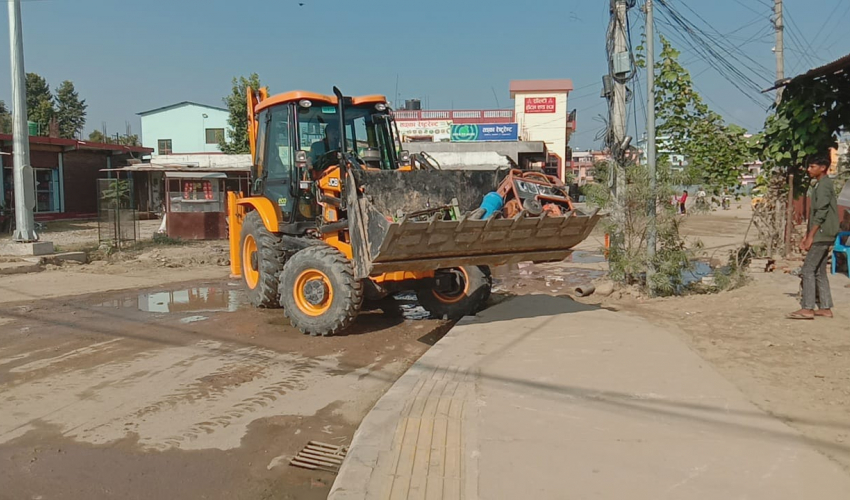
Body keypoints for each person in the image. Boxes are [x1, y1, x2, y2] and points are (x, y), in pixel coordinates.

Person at [788, 154, 839, 320]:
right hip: (824, 233)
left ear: (822, 168)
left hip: (822, 233)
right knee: (819, 271)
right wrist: (807, 235)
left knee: (808, 269)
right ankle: (825, 307)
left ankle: (808, 307)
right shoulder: (820, 185)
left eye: (812, 167)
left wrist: (811, 236)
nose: (809, 170)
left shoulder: (824, 185)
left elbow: (821, 213)